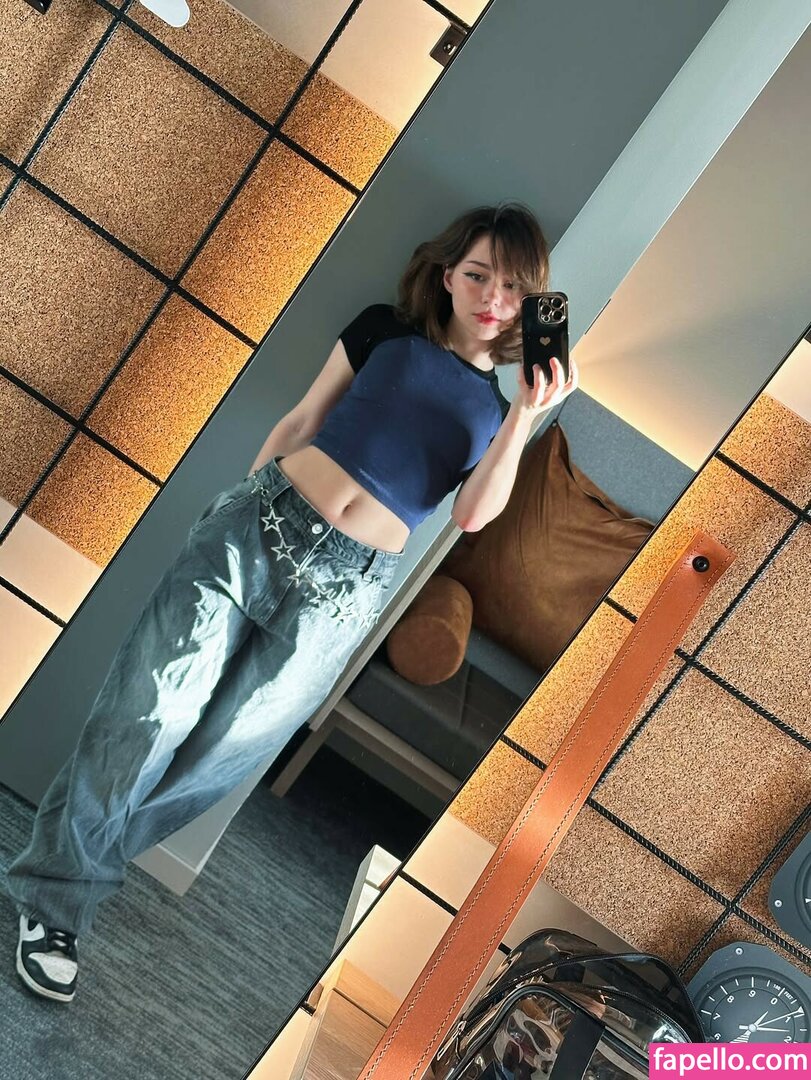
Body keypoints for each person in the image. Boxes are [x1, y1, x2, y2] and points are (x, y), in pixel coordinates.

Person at [6, 203, 577, 1003]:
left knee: (218, 757)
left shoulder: (502, 409)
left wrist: (524, 414)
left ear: (530, 303)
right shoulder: (383, 328)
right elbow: (305, 418)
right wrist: (235, 503)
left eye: (513, 288)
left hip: (343, 593)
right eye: (478, 274)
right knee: (145, 712)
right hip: (258, 526)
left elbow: (471, 515)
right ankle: (58, 906)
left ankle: (69, 867)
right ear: (447, 274)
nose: (492, 297)